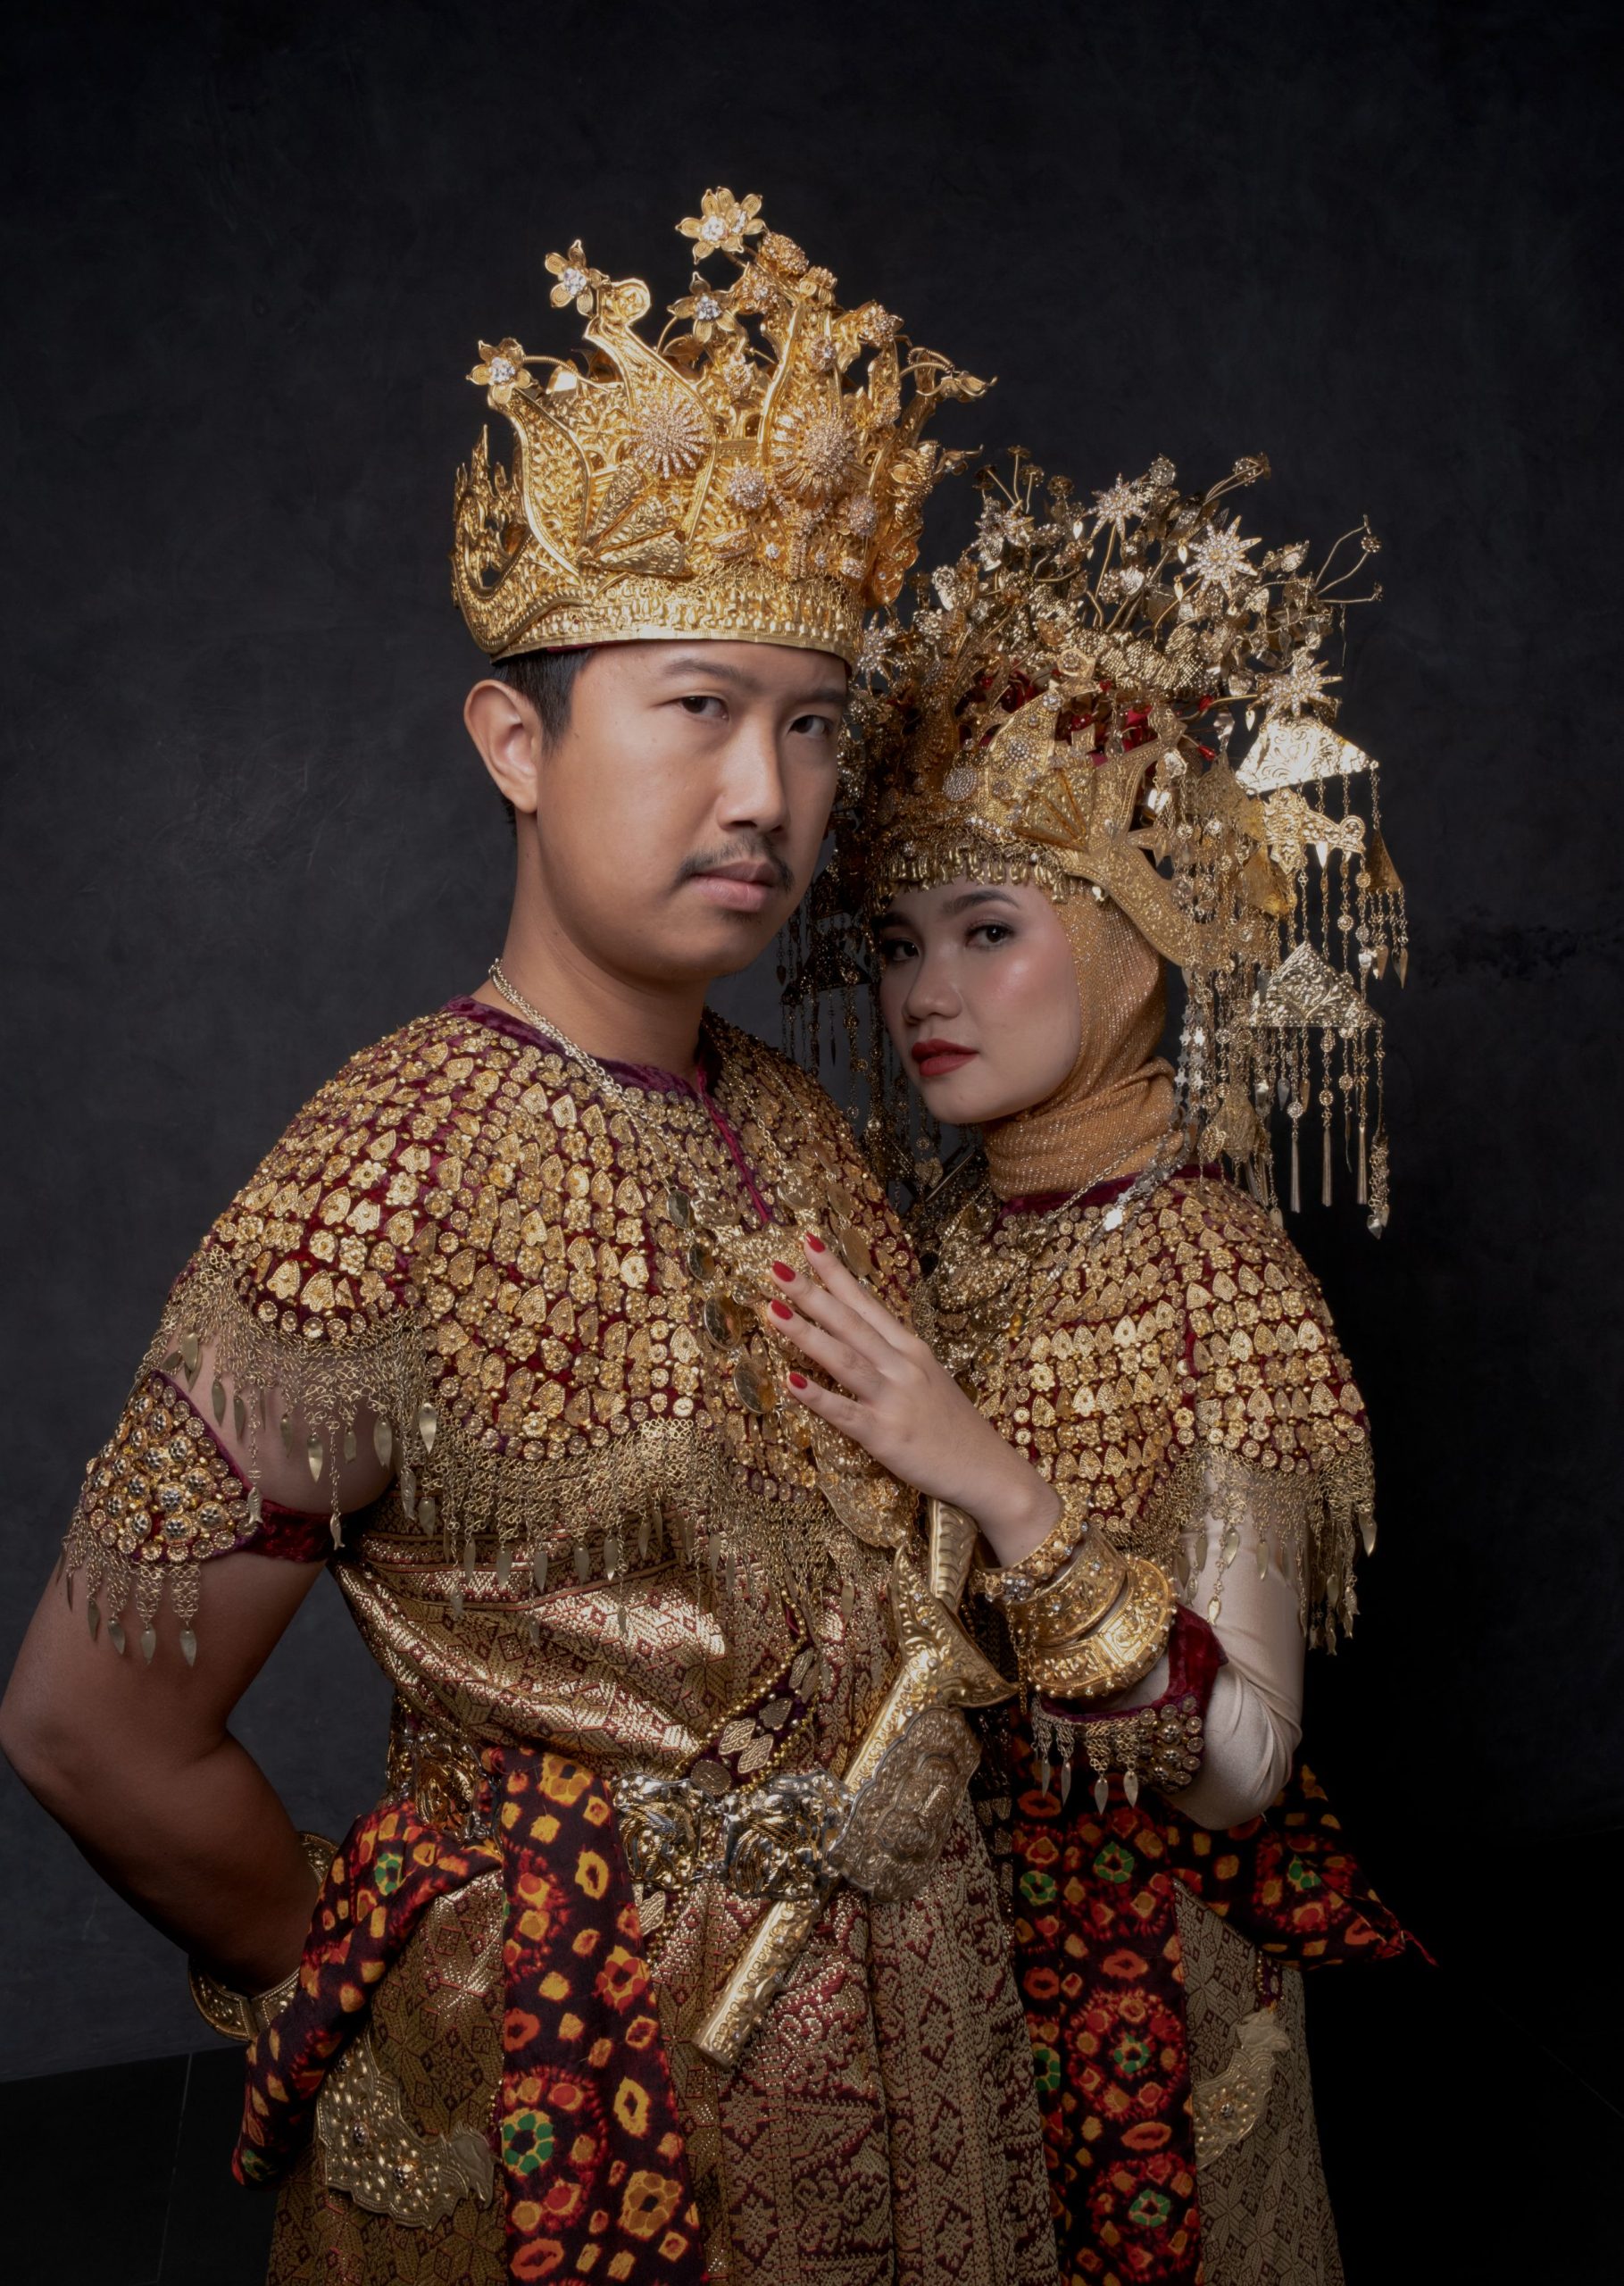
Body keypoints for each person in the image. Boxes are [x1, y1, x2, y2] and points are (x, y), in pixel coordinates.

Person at [0, 197, 1065, 2286]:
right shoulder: (383, 1170)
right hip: (584, 2108)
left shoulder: (800, 1125)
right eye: (697, 706)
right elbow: (89, 1725)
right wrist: (414, 1981)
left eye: (814, 723)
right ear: (518, 743)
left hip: (920, 2074)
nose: (766, 792)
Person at [761, 453, 1412, 2285]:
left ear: (1129, 941)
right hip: (922, 1970)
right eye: (900, 942)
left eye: (990, 929)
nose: (924, 993)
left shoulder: (1217, 1272)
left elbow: (1245, 1768)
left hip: (1140, 1987)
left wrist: (997, 1484)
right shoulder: (937, 1230)